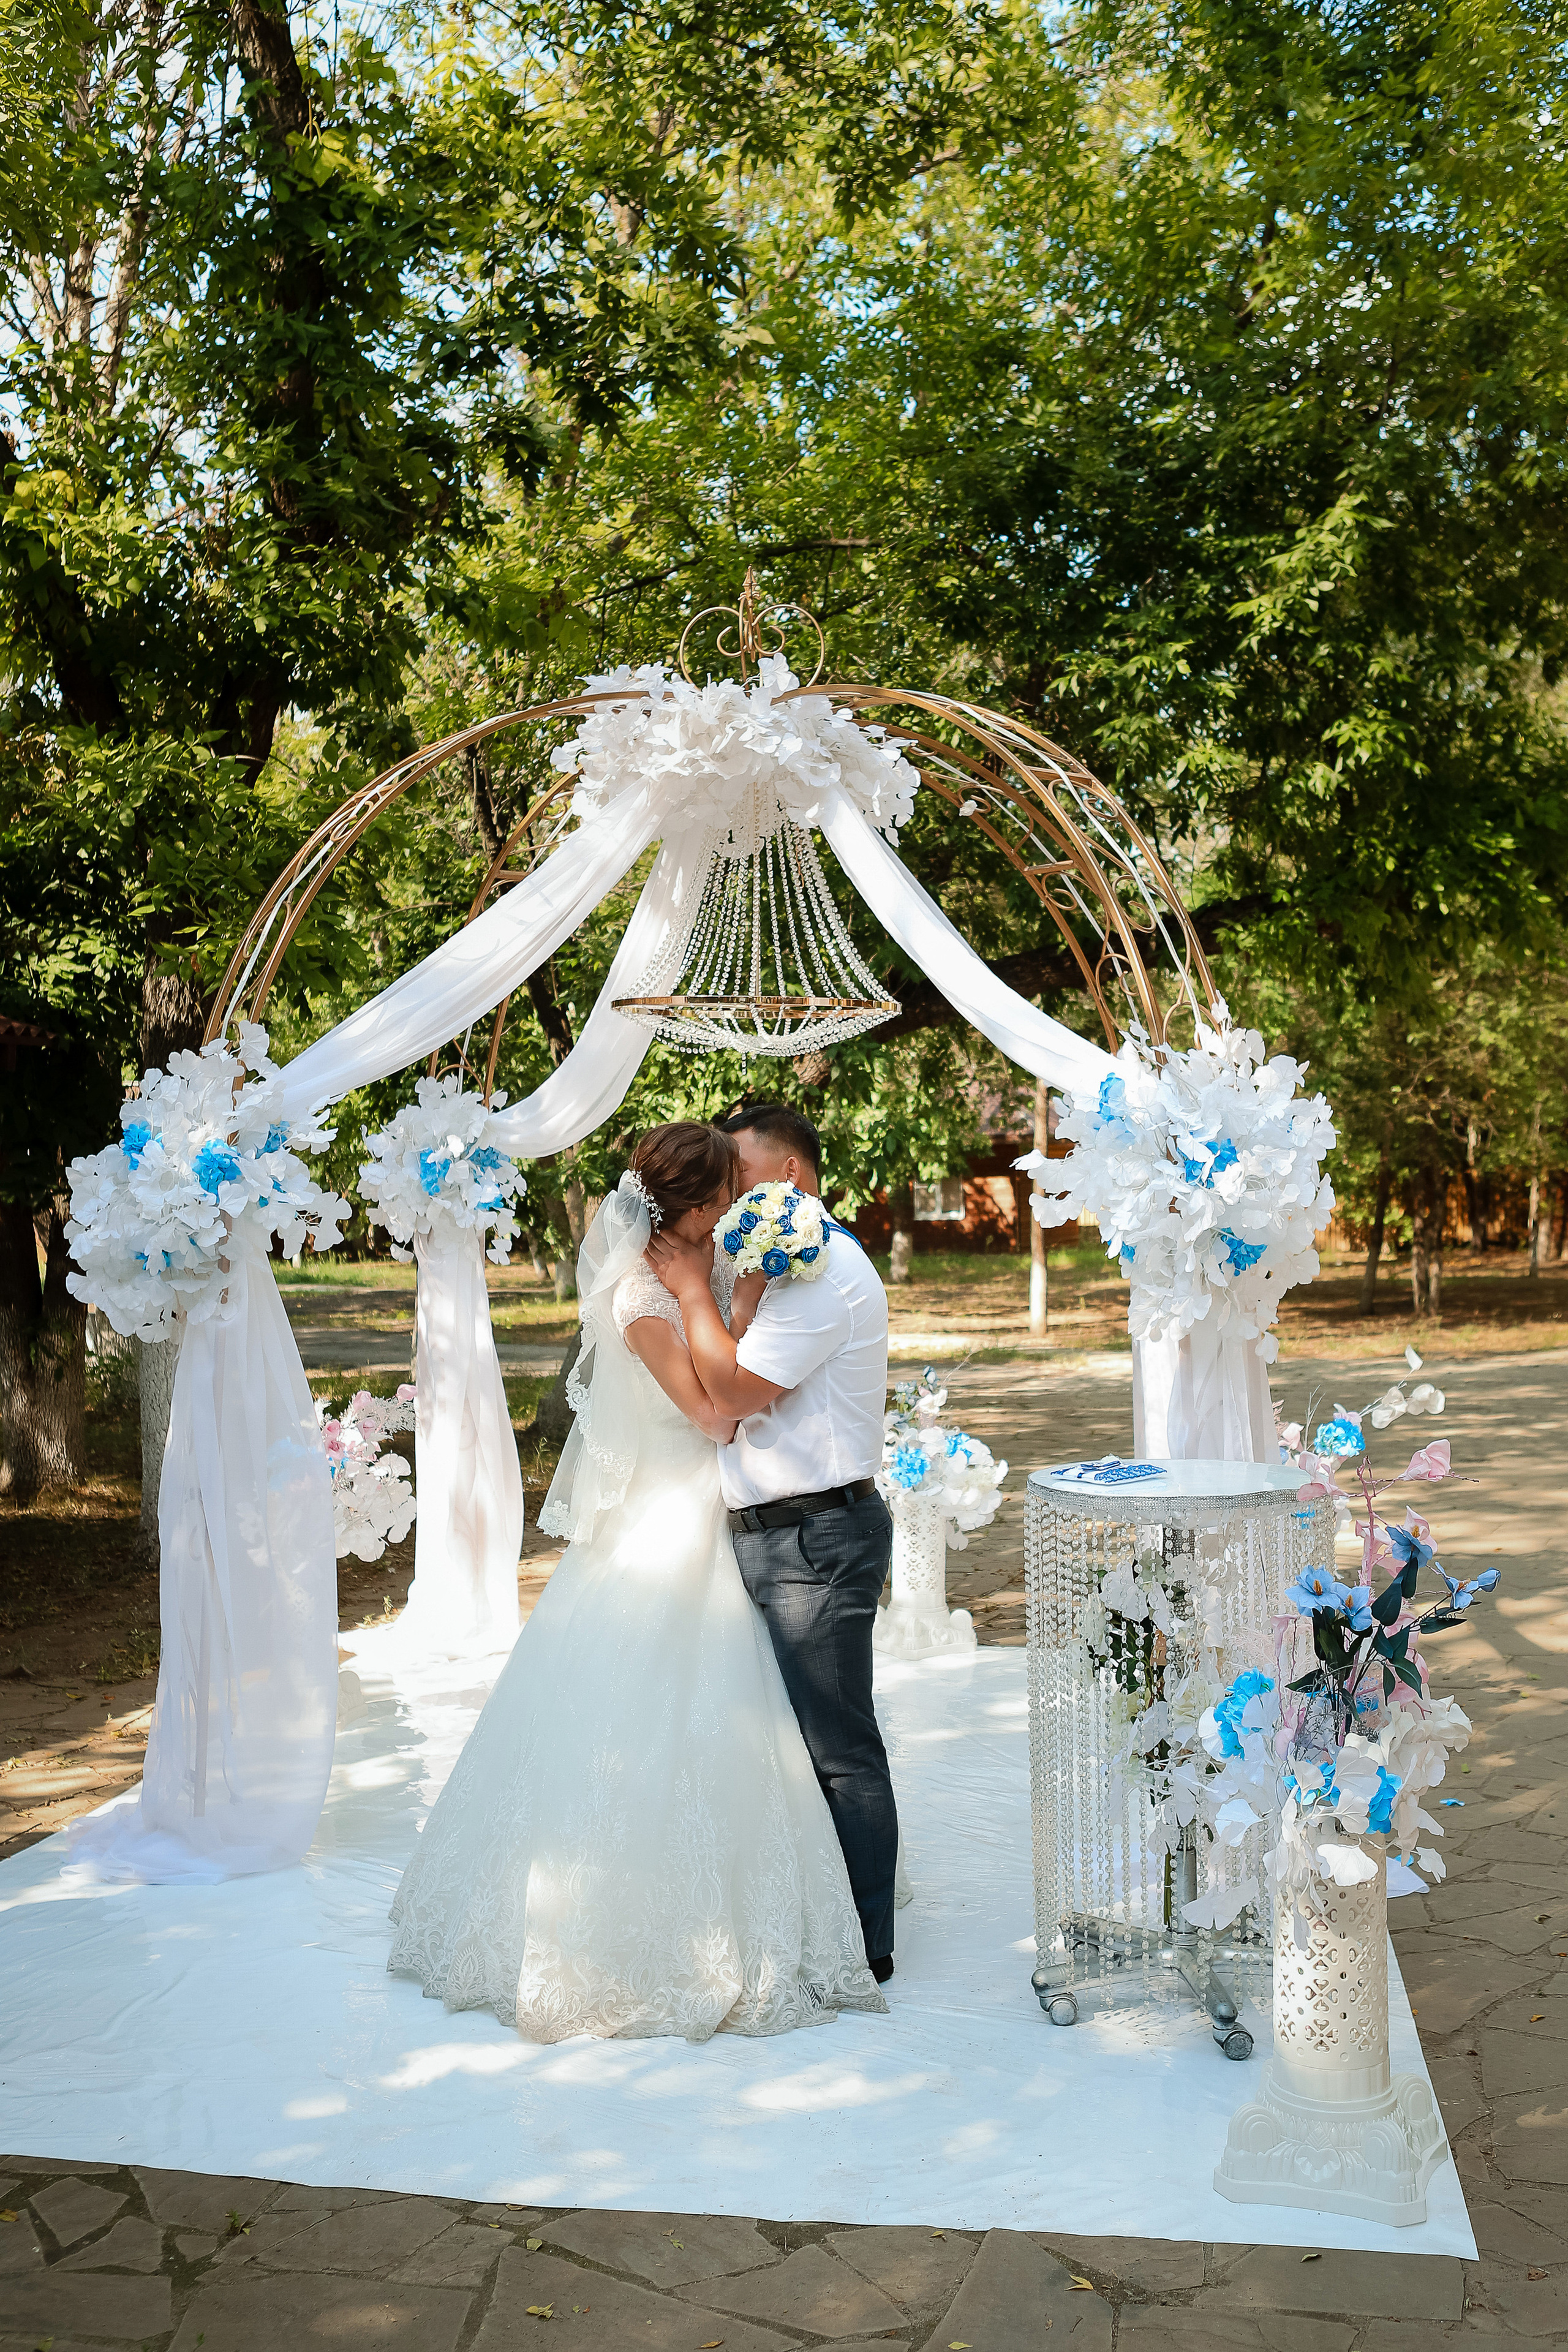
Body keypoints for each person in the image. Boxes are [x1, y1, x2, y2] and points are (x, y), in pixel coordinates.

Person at [385, 1120, 885, 2043]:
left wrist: (729, 1299)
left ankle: (779, 1909)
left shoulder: (701, 1271)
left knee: (747, 1726)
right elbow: (714, 1416)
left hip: (713, 1516)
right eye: (725, 1196)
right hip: (667, 1524)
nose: (737, 1207)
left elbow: (727, 1364)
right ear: (693, 1212)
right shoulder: (638, 1295)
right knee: (645, 1718)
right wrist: (706, 1297)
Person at [647, 1101, 898, 1985]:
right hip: (777, 1532)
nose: (723, 1208)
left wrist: (691, 1294)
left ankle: (866, 1948)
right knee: (792, 1748)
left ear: (788, 1178)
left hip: (816, 1539)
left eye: (740, 1182)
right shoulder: (780, 1269)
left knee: (838, 1752)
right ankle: (818, 1917)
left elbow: (736, 1389)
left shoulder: (821, 1269)